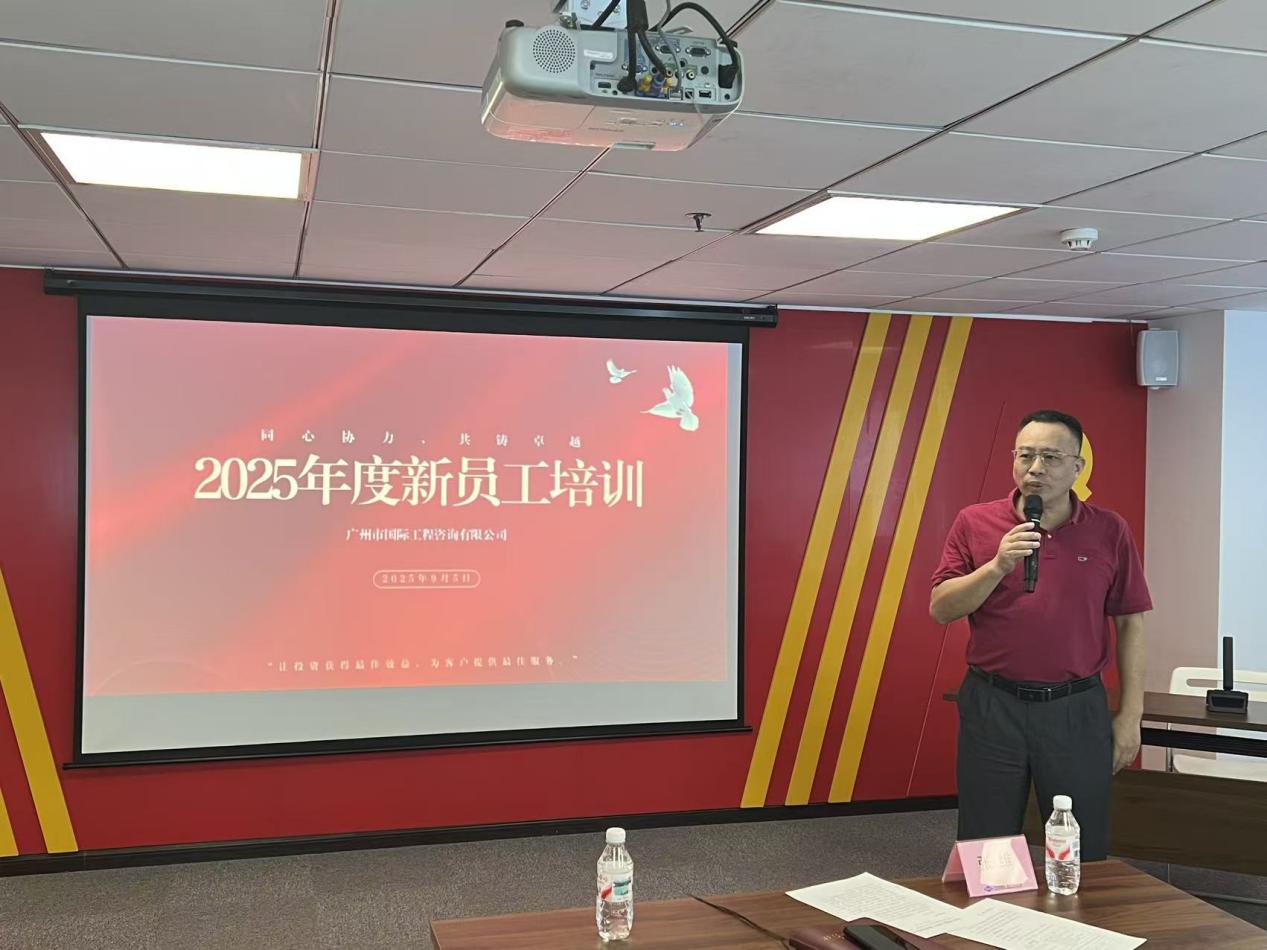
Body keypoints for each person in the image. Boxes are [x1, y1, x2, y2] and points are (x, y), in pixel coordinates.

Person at [930, 409, 1151, 860]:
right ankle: (992, 906)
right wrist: (997, 565)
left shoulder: (1109, 530)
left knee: (1079, 845)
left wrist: (1131, 716)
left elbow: (1131, 622)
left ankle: (1073, 906)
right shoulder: (975, 522)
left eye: (1050, 457)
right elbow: (941, 609)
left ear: (1077, 467)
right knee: (986, 844)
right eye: (1025, 455)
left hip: (1076, 707)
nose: (1035, 468)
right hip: (993, 704)